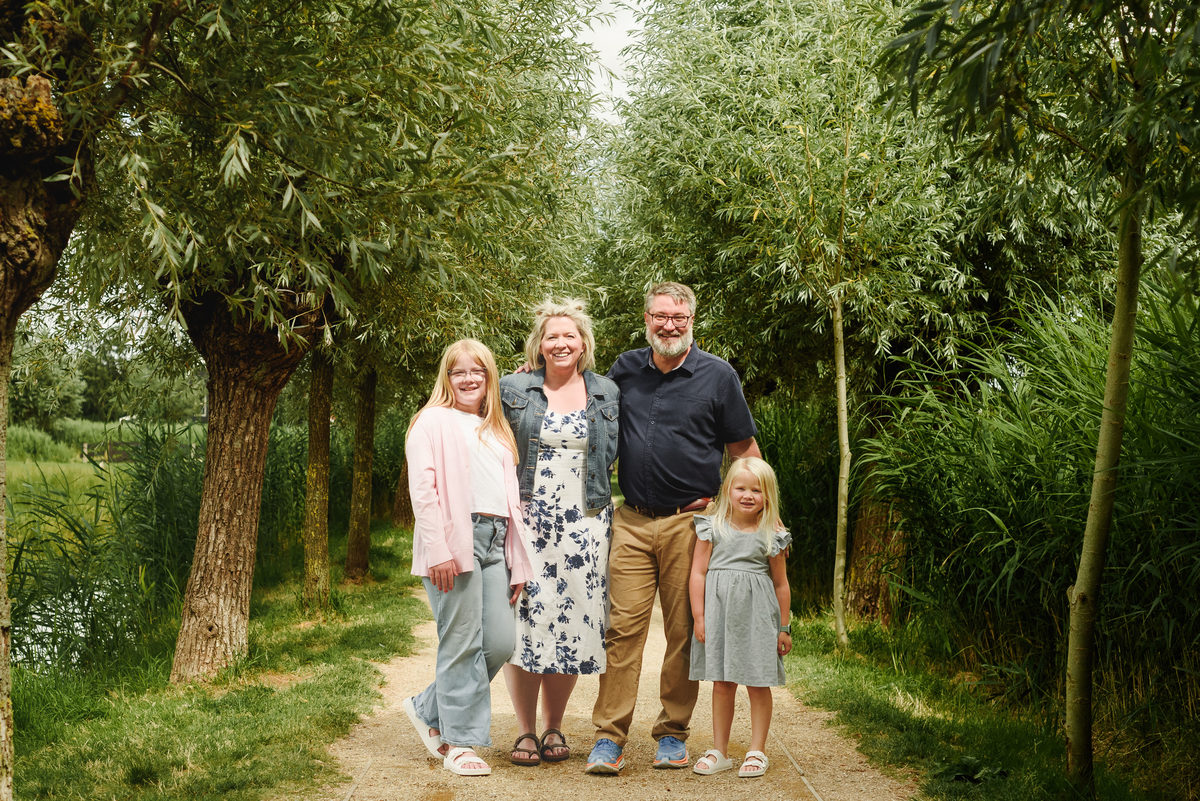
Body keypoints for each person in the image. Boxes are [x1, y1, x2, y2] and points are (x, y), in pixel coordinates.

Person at [587, 281, 761, 774]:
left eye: (679, 318)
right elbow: (575, 397)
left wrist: (752, 517)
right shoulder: (624, 370)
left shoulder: (718, 376)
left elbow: (744, 451)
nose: (670, 326)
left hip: (693, 522)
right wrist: (528, 378)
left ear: (692, 321)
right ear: (647, 319)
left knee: (684, 631)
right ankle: (609, 736)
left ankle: (672, 732)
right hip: (633, 520)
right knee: (621, 630)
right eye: (661, 317)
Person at [402, 339, 532, 777]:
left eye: (478, 370)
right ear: (447, 377)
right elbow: (424, 492)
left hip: (496, 543)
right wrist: (439, 548)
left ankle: (426, 706)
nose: (469, 378)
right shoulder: (431, 421)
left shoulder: (496, 428)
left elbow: (509, 502)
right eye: (459, 371)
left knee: (499, 643)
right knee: (461, 644)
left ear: (490, 377)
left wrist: (518, 560)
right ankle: (460, 743)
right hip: (456, 541)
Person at [499, 299, 620, 766]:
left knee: (571, 622)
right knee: (527, 622)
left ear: (584, 344)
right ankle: (525, 730)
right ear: (539, 345)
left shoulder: (606, 392)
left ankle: (554, 726)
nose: (561, 342)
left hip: (585, 524)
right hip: (529, 521)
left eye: (570, 335)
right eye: (552, 336)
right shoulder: (513, 388)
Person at [688, 457, 792, 778]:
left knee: (758, 682)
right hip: (720, 615)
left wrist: (784, 627)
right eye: (741, 488)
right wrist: (700, 617)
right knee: (722, 682)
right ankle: (720, 750)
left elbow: (780, 583)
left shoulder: (771, 533)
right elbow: (698, 574)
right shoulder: (711, 527)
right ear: (728, 490)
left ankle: (757, 750)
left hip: (759, 616)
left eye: (757, 490)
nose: (748, 495)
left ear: (767, 496)